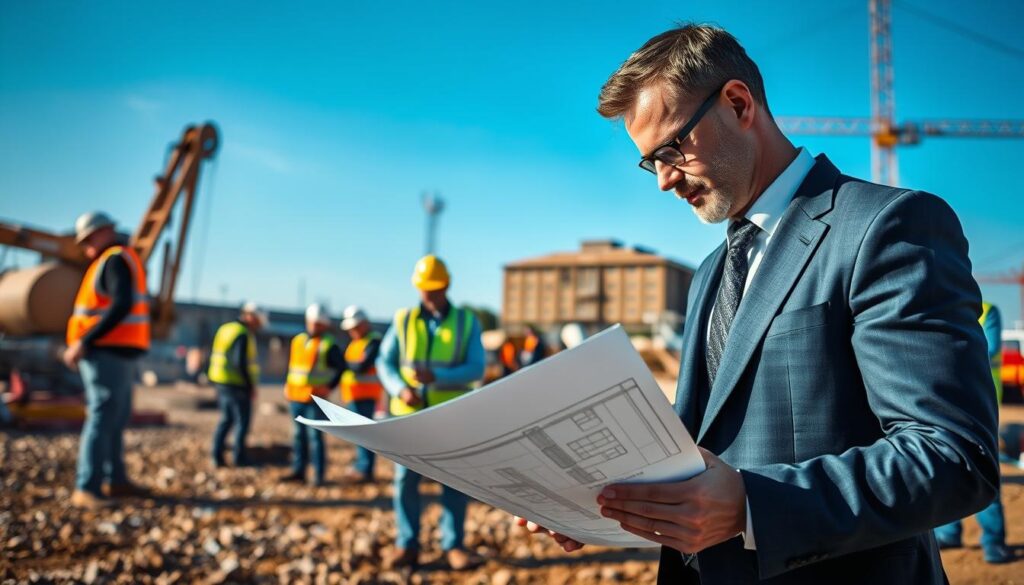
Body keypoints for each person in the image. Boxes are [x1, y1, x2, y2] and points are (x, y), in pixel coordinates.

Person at [522, 25, 999, 584]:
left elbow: (953, 456)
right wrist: (599, 503)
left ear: (737, 103)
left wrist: (753, 505)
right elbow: (702, 452)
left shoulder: (885, 227)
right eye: (651, 162)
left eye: (672, 148)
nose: (664, 181)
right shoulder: (710, 274)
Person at [376, 255, 485, 571]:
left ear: (447, 286)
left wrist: (438, 378)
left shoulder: (466, 321)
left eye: (434, 289)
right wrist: (399, 388)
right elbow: (386, 362)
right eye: (424, 289)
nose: (428, 295)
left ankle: (453, 546)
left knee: (453, 481)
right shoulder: (404, 320)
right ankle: (406, 544)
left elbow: (477, 367)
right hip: (409, 415)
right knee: (405, 481)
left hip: (450, 416)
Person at [64, 211, 152, 509]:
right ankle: (87, 486)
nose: (87, 247)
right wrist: (85, 342)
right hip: (105, 351)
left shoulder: (115, 259)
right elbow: (122, 304)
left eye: (89, 239)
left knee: (114, 417)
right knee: (105, 416)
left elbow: (122, 304)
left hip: (111, 350)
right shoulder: (115, 259)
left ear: (106, 231)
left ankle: (115, 480)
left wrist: (85, 341)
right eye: (84, 242)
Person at [934, 301, 1011, 564]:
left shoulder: (988, 310)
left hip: (979, 402)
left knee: (984, 467)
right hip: (946, 399)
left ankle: (993, 541)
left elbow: (985, 351)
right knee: (945, 463)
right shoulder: (936, 303)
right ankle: (948, 532)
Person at [282, 303, 345, 486]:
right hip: (295, 396)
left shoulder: (328, 345)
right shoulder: (298, 340)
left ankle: (319, 475)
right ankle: (298, 471)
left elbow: (341, 368)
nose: (315, 326)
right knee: (297, 436)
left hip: (315, 397)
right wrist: (286, 385)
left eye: (319, 323)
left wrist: (329, 387)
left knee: (315, 438)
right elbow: (293, 366)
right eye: (313, 322)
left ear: (324, 325)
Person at [208, 302, 267, 468]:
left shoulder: (225, 329)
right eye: (257, 321)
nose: (258, 326)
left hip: (221, 381)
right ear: (251, 317)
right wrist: (250, 386)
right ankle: (239, 457)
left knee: (226, 419)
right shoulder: (242, 333)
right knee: (242, 421)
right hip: (236, 383)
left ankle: (216, 455)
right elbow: (239, 362)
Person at [338, 305, 383, 483]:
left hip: (366, 395)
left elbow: (361, 366)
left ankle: (366, 469)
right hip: (354, 395)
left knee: (364, 435)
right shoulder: (356, 343)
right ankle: (360, 466)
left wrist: (345, 364)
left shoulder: (374, 341)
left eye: (354, 327)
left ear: (364, 324)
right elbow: (353, 366)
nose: (352, 331)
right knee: (358, 434)